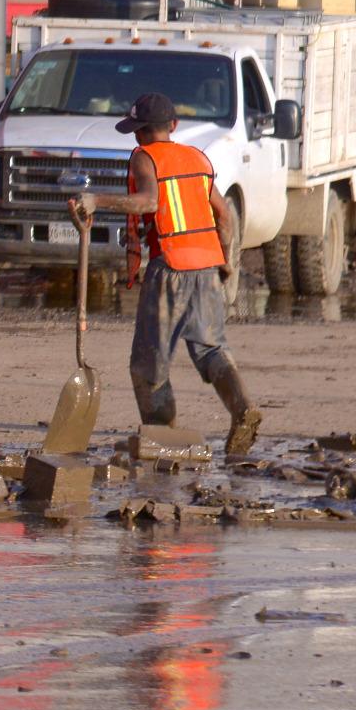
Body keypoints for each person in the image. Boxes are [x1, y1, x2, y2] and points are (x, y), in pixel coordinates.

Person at [69, 91, 262, 454]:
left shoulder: (145, 158)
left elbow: (149, 202)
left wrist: (98, 199)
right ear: (172, 126)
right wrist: (226, 262)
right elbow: (223, 215)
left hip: (170, 267)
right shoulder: (197, 158)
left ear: (141, 132)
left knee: (149, 361)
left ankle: (162, 437)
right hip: (205, 267)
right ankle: (242, 407)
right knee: (210, 349)